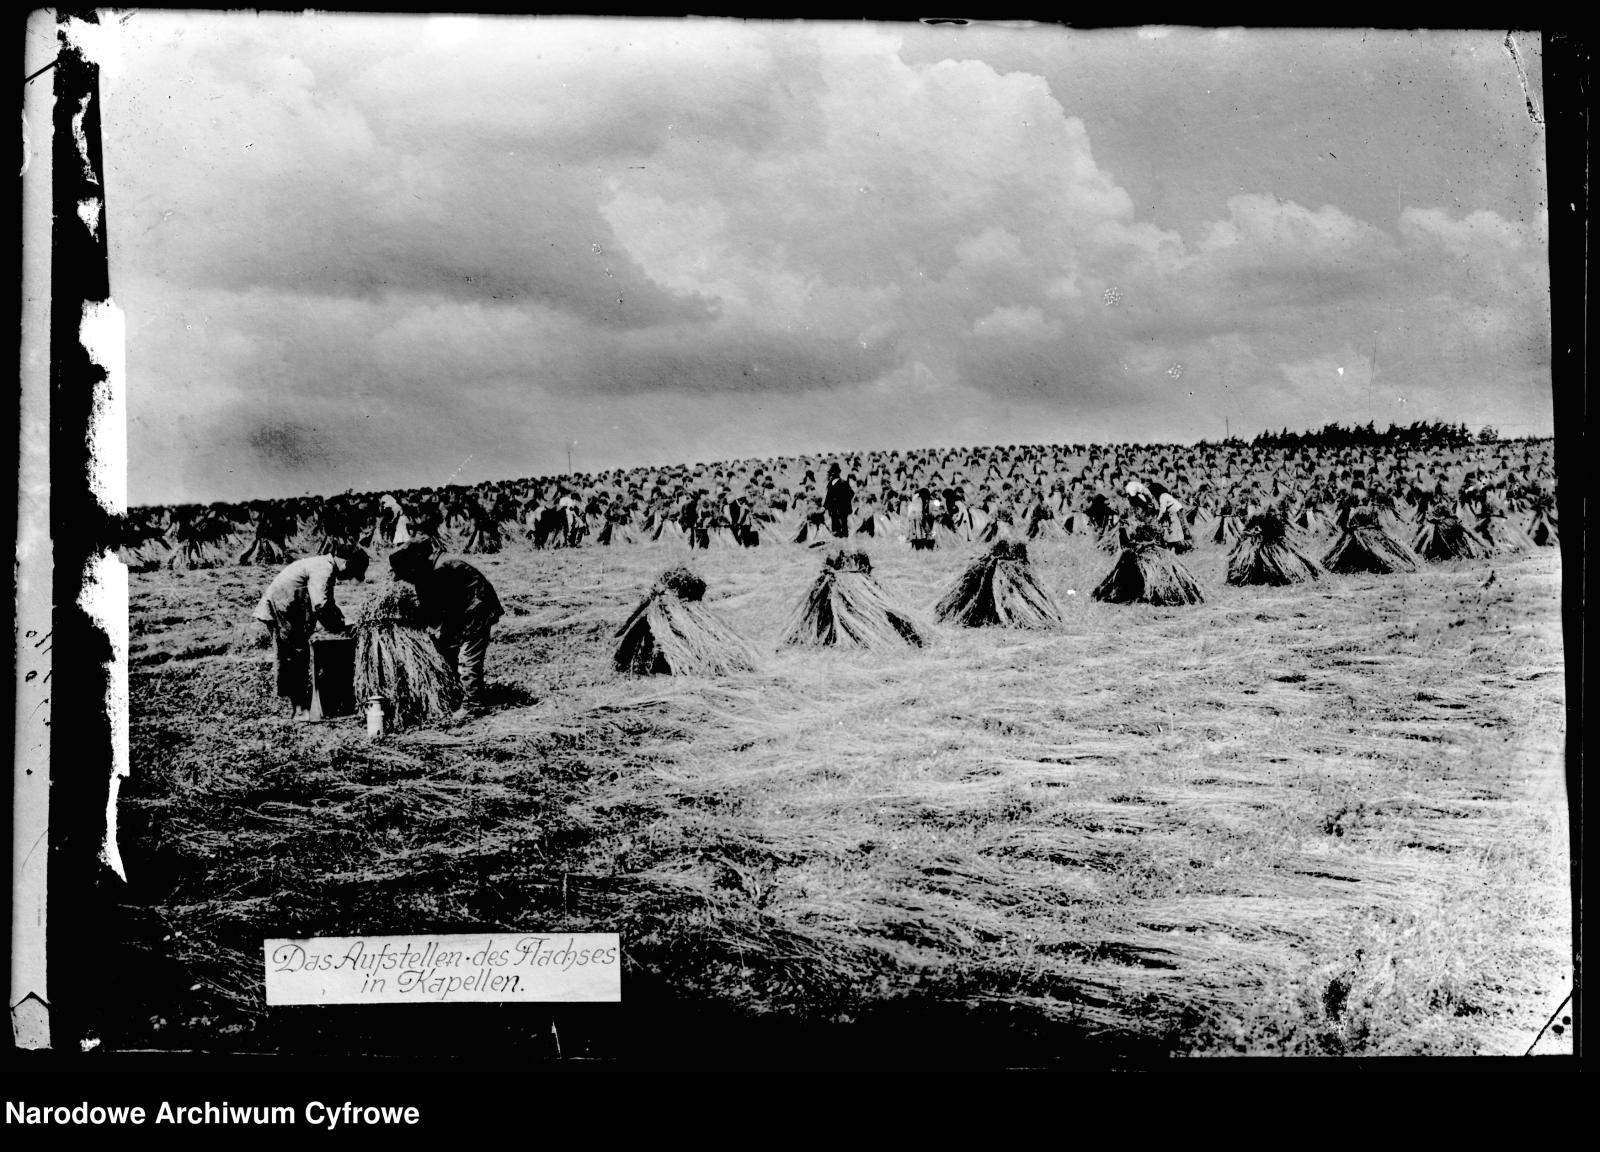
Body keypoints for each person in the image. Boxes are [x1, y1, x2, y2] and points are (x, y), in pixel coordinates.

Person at [388, 538, 504, 720]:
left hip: (477, 611)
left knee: (468, 658)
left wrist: (429, 624)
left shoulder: (441, 570)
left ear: (413, 567)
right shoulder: (429, 568)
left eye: (407, 575)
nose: (407, 580)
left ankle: (473, 705)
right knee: (448, 650)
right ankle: (458, 692)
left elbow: (438, 608)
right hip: (463, 610)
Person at [252, 543, 370, 720]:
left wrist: (342, 621)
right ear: (346, 564)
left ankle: (302, 706)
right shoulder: (324, 569)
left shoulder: (324, 566)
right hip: (283, 608)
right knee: (293, 655)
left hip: (290, 608)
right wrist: (339, 628)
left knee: (298, 654)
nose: (347, 578)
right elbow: (321, 605)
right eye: (352, 573)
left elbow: (327, 602)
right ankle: (300, 710)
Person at [824, 463, 854, 537]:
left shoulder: (843, 483)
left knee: (843, 524)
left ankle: (844, 538)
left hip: (842, 508)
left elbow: (851, 494)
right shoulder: (831, 484)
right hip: (834, 508)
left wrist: (843, 501)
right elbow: (828, 497)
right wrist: (826, 506)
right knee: (835, 523)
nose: (832, 475)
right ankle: (838, 537)